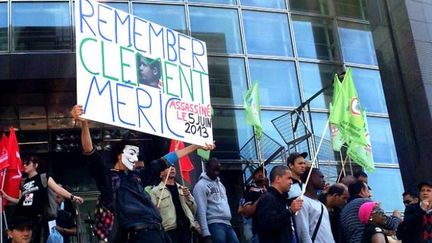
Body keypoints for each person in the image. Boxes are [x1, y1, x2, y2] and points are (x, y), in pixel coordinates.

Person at [71, 104, 213, 243]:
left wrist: (196, 145)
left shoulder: (138, 176)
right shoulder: (107, 177)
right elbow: (90, 151)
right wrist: (84, 124)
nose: (135, 159)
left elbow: (168, 159)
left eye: (137, 155)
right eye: (131, 153)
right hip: (137, 234)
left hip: (159, 233)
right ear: (120, 156)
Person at [1, 156, 83, 243]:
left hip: (35, 217)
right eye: (23, 163)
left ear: (35, 165)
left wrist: (72, 197)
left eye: (27, 163)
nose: (24, 165)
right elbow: (20, 200)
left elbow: (57, 189)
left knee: (33, 238)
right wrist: (6, 197)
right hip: (21, 216)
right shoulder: (23, 181)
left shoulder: (43, 177)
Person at [193, 158, 239, 243]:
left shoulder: (221, 185)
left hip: (227, 223)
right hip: (214, 224)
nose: (216, 171)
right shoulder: (200, 186)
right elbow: (201, 210)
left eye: (218, 169)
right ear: (207, 167)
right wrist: (205, 233)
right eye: (214, 169)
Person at [149, 166, 199, 243]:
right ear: (161, 174)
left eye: (173, 166)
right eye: (168, 167)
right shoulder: (155, 192)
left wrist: (188, 197)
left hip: (186, 229)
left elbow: (194, 210)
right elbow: (153, 215)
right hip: (169, 230)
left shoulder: (183, 189)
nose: (172, 168)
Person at [253, 165, 303, 243]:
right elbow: (268, 224)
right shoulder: (268, 198)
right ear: (278, 179)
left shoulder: (281, 199)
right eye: (289, 178)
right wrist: (290, 211)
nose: (291, 182)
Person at [295, 168, 335, 243]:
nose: (324, 180)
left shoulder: (321, 204)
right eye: (320, 177)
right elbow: (303, 232)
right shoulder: (302, 201)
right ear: (310, 177)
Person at [238, 166, 267, 243]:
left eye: (263, 173)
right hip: (258, 231)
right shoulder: (250, 194)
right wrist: (260, 198)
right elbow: (245, 213)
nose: (261, 174)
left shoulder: (271, 191)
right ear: (253, 178)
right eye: (258, 173)